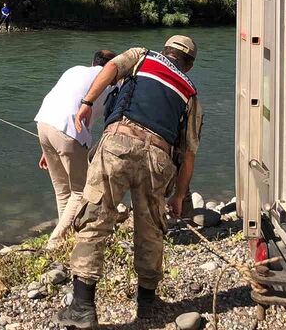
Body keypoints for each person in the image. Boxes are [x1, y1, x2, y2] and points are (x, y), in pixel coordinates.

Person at [55, 35, 203, 327]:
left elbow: (111, 67)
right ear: (189, 65)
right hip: (159, 158)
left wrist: (87, 102)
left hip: (119, 142)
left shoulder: (142, 56)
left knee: (95, 218)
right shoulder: (190, 93)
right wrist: (178, 196)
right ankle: (147, 304)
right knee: (151, 229)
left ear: (166, 50)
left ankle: (83, 306)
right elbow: (188, 154)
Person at [34, 49, 117, 249]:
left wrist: (47, 149)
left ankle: (65, 235)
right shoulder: (109, 84)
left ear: (92, 61)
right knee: (80, 192)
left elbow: (62, 98)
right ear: (112, 68)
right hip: (70, 131)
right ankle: (54, 242)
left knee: (62, 191)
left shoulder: (74, 70)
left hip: (44, 124)